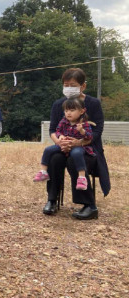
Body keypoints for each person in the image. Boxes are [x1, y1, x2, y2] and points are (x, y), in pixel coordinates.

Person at [42, 68, 110, 220]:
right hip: (63, 146)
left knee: (75, 160)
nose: (68, 88)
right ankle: (52, 200)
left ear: (83, 86)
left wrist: (78, 143)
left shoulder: (93, 103)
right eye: (66, 85)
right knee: (54, 159)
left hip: (88, 149)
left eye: (72, 85)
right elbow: (53, 129)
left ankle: (89, 206)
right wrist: (59, 142)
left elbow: (98, 131)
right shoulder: (58, 104)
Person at [34, 97, 95, 190]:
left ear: (82, 111)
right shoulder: (63, 121)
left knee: (77, 153)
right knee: (48, 150)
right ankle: (43, 171)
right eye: (66, 110)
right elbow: (57, 131)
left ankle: (82, 177)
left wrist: (82, 131)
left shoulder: (84, 124)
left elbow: (89, 137)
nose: (68, 113)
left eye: (72, 110)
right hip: (63, 144)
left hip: (77, 146)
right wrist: (60, 136)